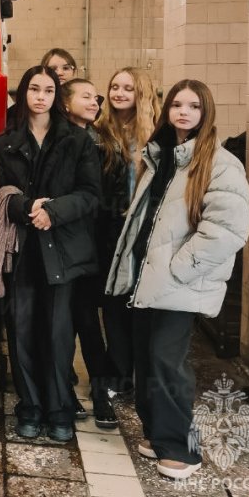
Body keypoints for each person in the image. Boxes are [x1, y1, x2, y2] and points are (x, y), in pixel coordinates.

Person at [105, 80, 249, 480]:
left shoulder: (219, 164)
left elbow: (227, 231)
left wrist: (178, 270)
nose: (184, 112)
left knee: (167, 364)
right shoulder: (163, 156)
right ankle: (158, 435)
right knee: (147, 361)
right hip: (145, 280)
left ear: (207, 113)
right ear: (167, 110)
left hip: (176, 284)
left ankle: (182, 450)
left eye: (194, 106)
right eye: (177, 105)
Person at [0, 66, 100, 443]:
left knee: (57, 334)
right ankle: (30, 407)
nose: (41, 96)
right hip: (21, 249)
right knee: (21, 331)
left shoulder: (77, 141)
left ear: (57, 96)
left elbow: (90, 194)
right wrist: (24, 207)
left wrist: (52, 212)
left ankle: (58, 409)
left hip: (62, 248)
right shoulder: (5, 142)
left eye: (49, 90)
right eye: (34, 89)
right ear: (23, 95)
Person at [94, 67, 161, 395]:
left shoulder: (157, 135)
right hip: (111, 228)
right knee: (115, 304)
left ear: (141, 95)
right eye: (114, 86)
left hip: (146, 230)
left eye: (128, 88)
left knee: (142, 304)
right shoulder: (100, 131)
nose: (119, 93)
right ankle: (118, 375)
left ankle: (140, 375)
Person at [60, 78, 116, 429]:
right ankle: (67, 388)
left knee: (88, 321)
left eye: (97, 97)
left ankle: (100, 389)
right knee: (68, 320)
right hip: (66, 240)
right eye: (86, 96)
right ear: (66, 103)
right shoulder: (60, 139)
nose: (95, 102)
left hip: (97, 241)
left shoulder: (102, 140)